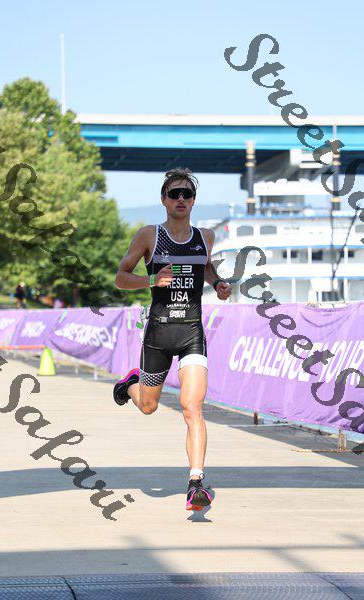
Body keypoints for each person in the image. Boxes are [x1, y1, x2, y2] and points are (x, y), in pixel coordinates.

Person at [114, 167, 231, 511]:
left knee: (192, 407)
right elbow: (121, 277)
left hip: (192, 331)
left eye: (187, 194)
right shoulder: (148, 235)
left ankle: (196, 483)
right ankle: (131, 385)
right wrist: (151, 281)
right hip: (159, 333)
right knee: (148, 406)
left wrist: (218, 284)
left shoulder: (205, 236)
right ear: (164, 200)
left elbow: (205, 267)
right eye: (174, 194)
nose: (181, 199)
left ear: (193, 201)